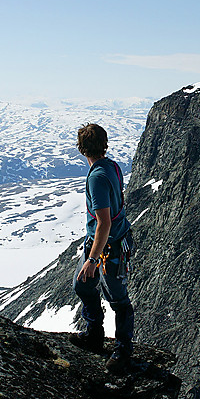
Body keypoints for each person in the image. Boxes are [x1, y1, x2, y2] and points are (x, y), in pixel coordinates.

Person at [70, 123, 134, 374]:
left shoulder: (96, 177)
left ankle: (123, 351)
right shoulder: (112, 167)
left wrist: (93, 259)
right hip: (109, 242)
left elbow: (103, 222)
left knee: (118, 300)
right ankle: (94, 334)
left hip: (108, 247)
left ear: (82, 148)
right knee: (82, 284)